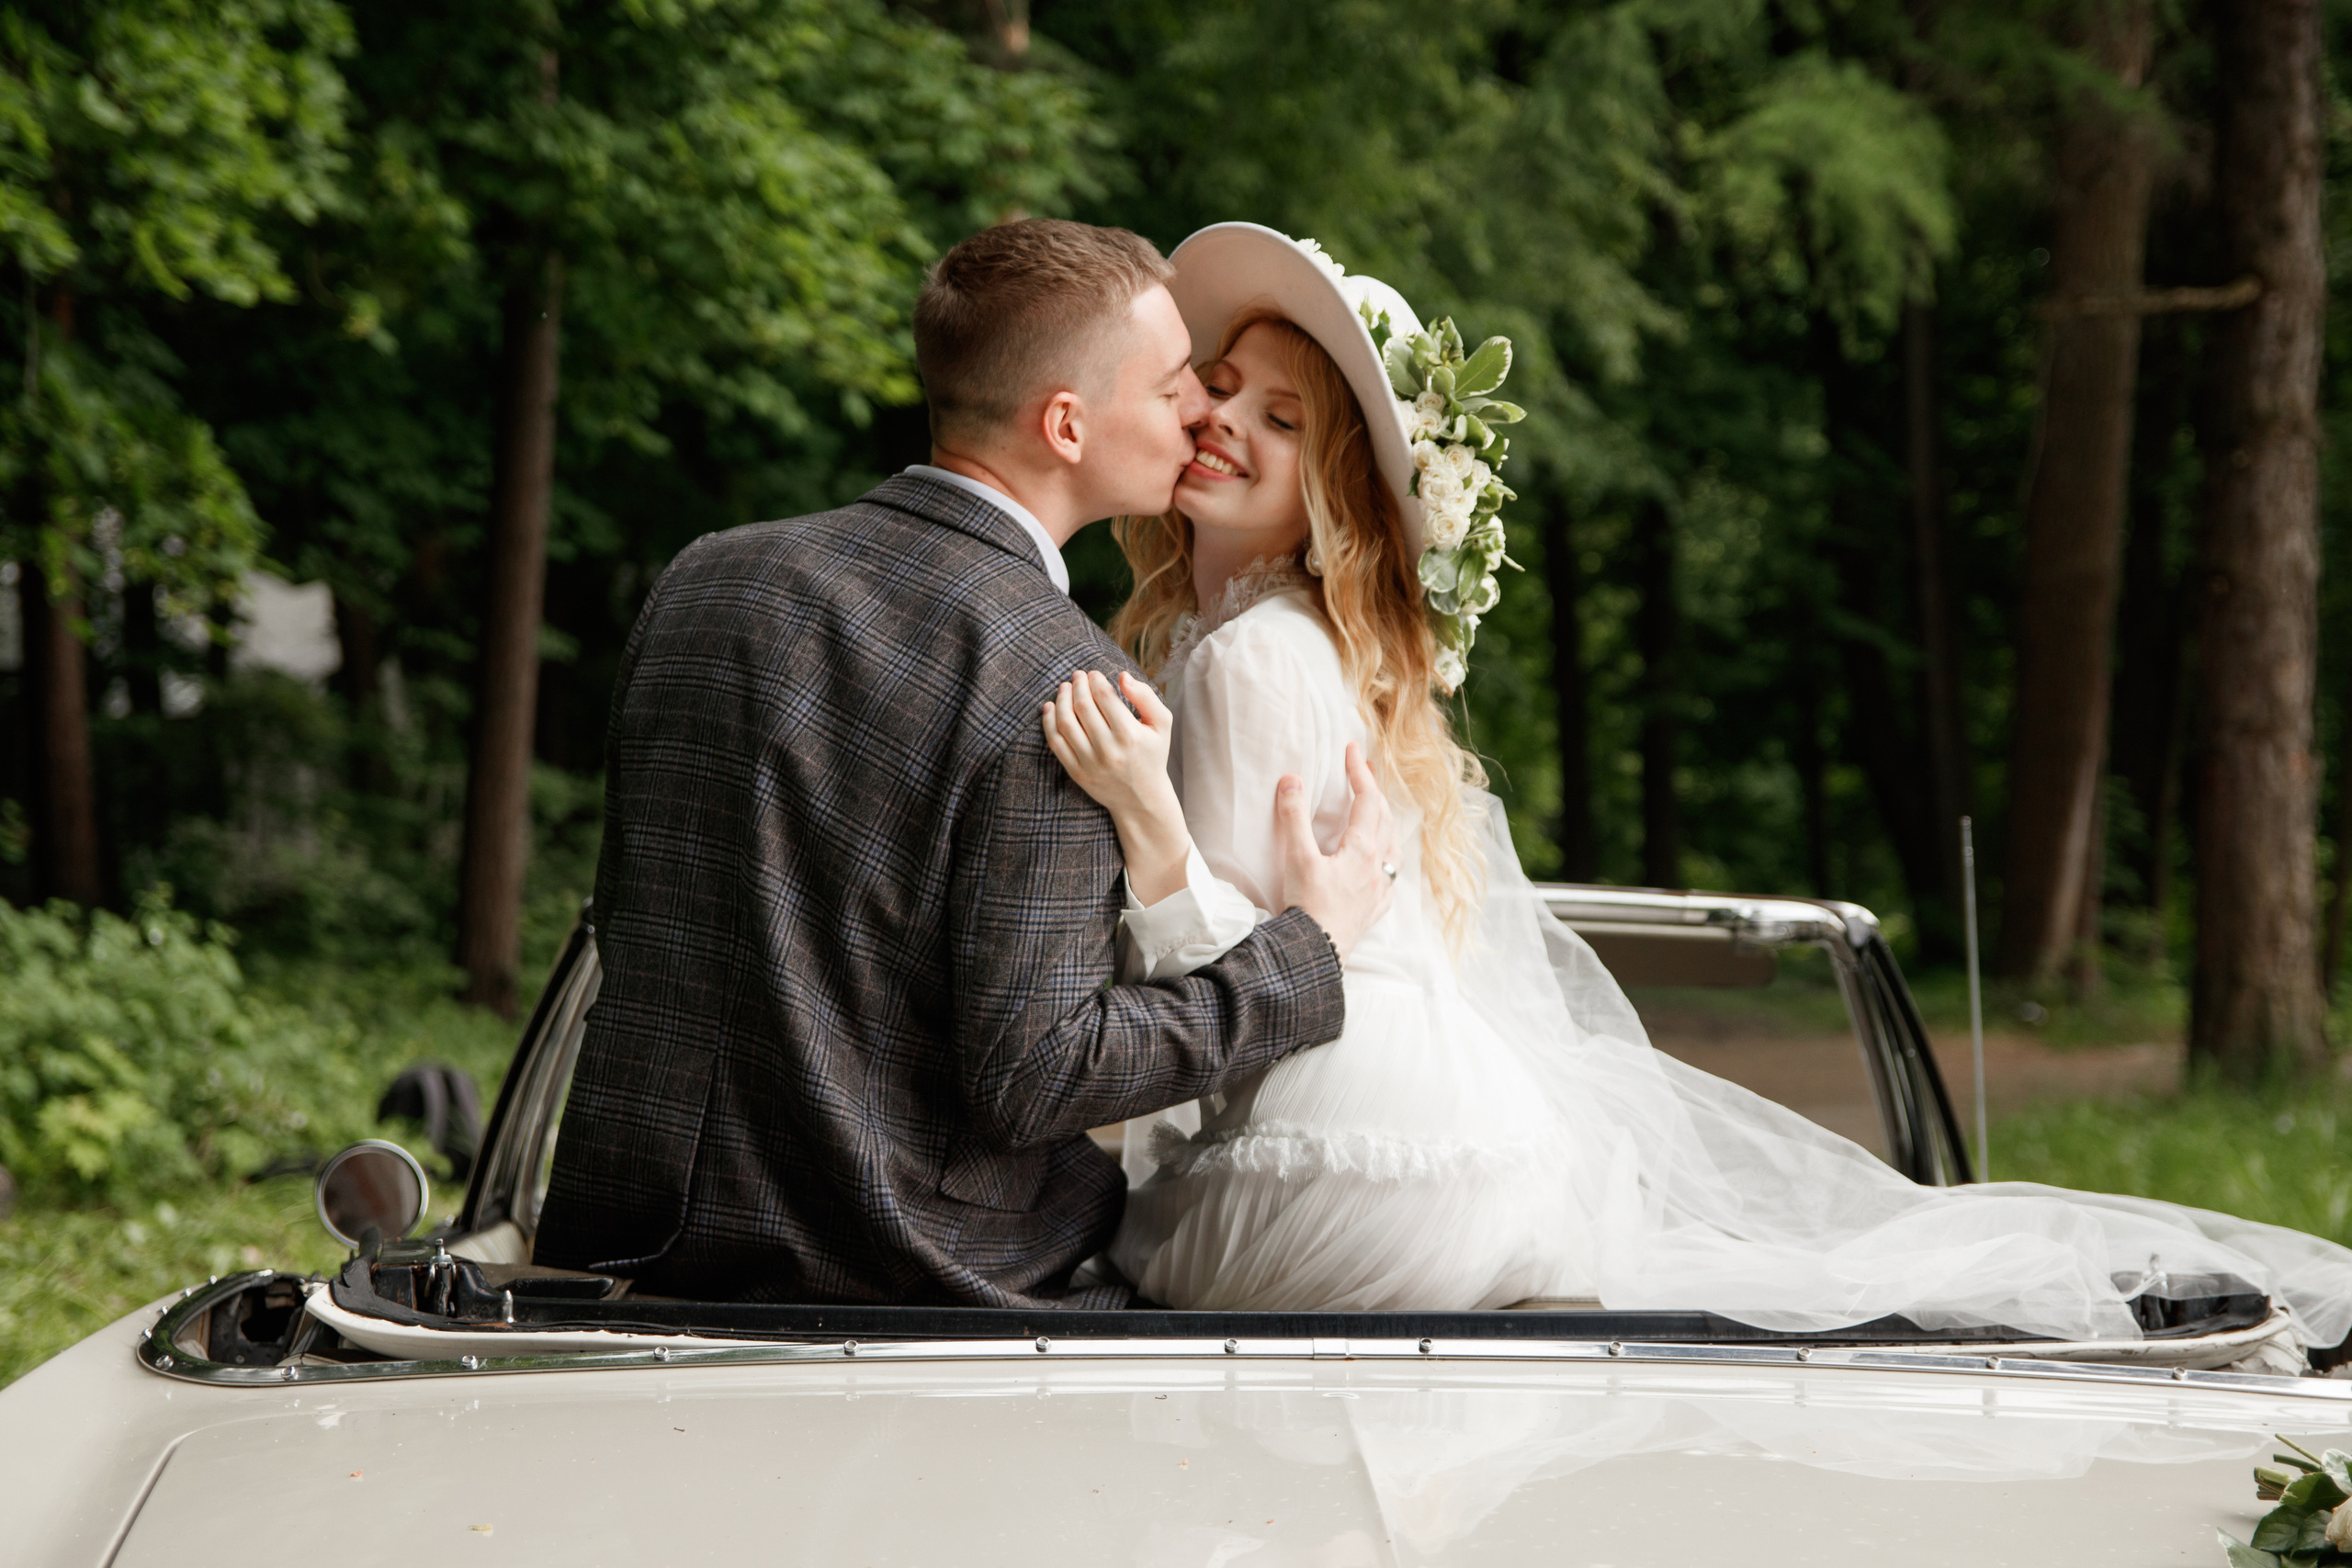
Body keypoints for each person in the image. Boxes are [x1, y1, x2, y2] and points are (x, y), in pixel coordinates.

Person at [1042, 222, 2352, 1360]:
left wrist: (1143, 843)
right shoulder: (1293, 647)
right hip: (1462, 1159)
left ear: (1333, 492)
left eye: (1283, 419)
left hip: (1334, 1174)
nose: (1223, 421)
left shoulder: (1247, 658)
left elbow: (1221, 990)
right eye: (1217, 388)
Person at [532, 219, 1402, 1308]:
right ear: (1067, 424)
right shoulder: (1064, 682)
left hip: (627, 1253)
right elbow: (1038, 1074)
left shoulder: (707, 581)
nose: (1198, 408)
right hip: (908, 1283)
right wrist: (1300, 959)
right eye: (1176, 380)